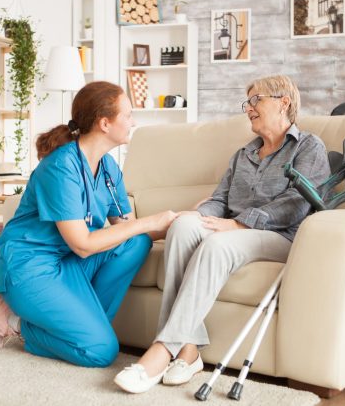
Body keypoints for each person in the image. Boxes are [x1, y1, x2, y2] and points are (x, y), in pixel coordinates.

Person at [114, 75, 331, 393]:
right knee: (184, 227)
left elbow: (297, 203)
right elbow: (220, 199)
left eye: (256, 100)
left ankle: (161, 352)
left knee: (217, 245)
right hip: (235, 230)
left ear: (284, 102)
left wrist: (240, 223)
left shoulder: (309, 146)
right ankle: (188, 351)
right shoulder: (243, 155)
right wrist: (198, 215)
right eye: (247, 103)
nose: (249, 109)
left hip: (282, 237)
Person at [0, 81, 178, 368]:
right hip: (30, 267)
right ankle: (13, 321)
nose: (133, 122)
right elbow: (83, 245)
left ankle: (82, 330)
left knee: (137, 242)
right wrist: (150, 220)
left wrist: (180, 220)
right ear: (104, 123)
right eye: (128, 115)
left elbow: (129, 230)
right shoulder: (61, 167)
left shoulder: (109, 169)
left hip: (66, 263)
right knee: (100, 351)